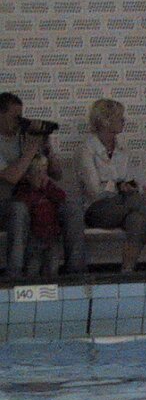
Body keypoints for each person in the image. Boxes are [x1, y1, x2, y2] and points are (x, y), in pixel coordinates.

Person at [78, 98, 146, 272]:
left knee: (138, 219)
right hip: (97, 209)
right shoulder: (87, 149)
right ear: (106, 121)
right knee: (142, 203)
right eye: (120, 118)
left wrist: (135, 186)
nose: (124, 121)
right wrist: (118, 187)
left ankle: (127, 272)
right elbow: (93, 190)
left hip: (125, 204)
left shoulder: (122, 149)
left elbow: (129, 179)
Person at [1, 91, 86, 277]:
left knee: (72, 209)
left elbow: (57, 174)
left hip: (36, 198)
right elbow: (11, 177)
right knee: (19, 210)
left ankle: (76, 272)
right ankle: (14, 275)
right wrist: (32, 148)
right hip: (6, 202)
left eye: (21, 116)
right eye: (15, 117)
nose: (19, 121)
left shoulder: (25, 136)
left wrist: (46, 146)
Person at [13, 154, 66, 276]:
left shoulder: (49, 189)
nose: (41, 176)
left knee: (52, 268)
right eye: (37, 173)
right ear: (27, 176)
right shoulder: (24, 191)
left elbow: (61, 197)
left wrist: (46, 189)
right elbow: (25, 204)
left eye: (44, 172)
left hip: (52, 236)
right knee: (33, 267)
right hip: (34, 237)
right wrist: (35, 190)